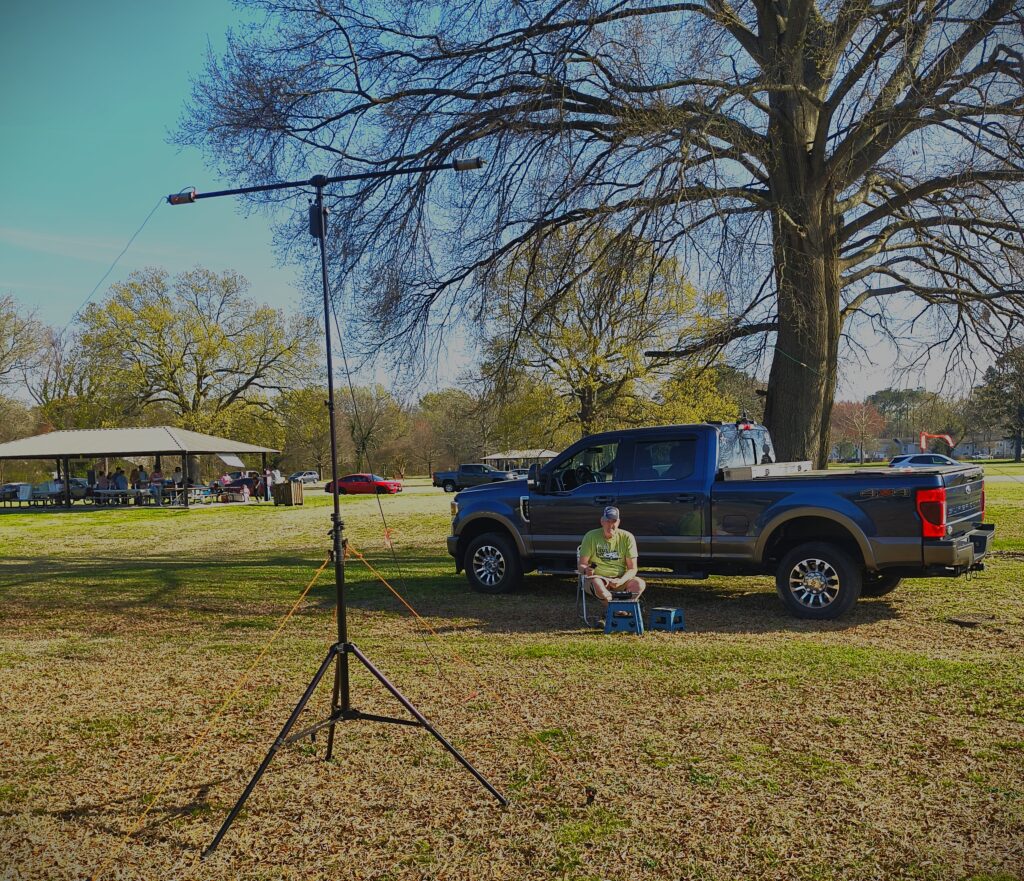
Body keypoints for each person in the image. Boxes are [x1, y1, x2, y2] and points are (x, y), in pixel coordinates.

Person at [578, 506, 645, 613]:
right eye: (607, 521)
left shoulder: (627, 537)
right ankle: (618, 612)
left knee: (639, 584)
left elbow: (633, 568)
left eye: (613, 521)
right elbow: (581, 565)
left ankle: (618, 611)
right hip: (598, 578)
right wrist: (587, 570)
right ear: (602, 521)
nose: (610, 525)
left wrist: (620, 580)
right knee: (597, 583)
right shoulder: (591, 536)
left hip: (620, 578)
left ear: (618, 522)